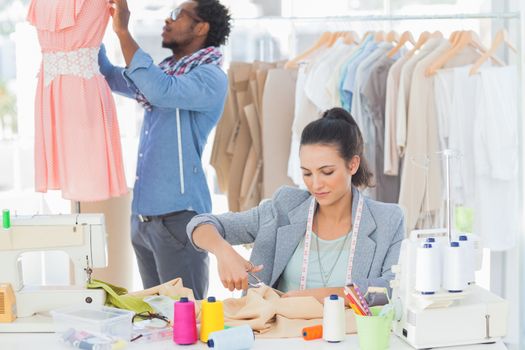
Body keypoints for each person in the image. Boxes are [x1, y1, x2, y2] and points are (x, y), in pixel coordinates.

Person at [187, 107, 405, 302]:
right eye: (307, 173)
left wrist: (310, 298)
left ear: (353, 164)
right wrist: (223, 252)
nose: (316, 184)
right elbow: (199, 224)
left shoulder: (387, 220)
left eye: (327, 172)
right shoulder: (284, 208)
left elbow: (391, 288)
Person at [99, 0, 232, 299]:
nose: (167, 20)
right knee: (157, 322)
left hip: (179, 220)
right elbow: (108, 75)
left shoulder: (210, 78)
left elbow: (161, 90)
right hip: (143, 219)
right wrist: (90, 32)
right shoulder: (164, 72)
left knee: (186, 322)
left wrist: (123, 32)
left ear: (201, 27)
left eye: (177, 15)